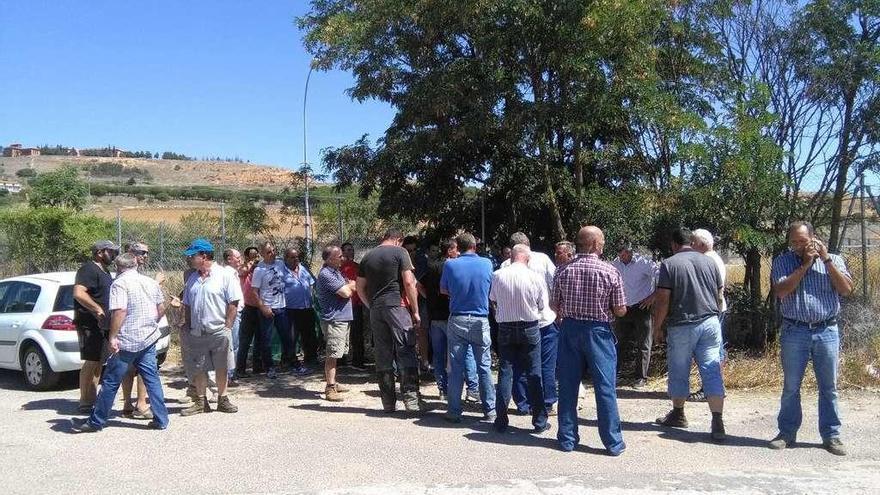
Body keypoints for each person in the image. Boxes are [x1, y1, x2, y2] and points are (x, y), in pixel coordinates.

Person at [768, 221, 853, 456]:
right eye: (793, 242)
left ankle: (831, 435)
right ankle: (786, 432)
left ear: (814, 239)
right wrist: (805, 265)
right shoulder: (783, 261)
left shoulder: (834, 260)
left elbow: (846, 289)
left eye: (802, 241)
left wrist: (825, 260)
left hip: (826, 331)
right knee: (791, 387)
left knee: (829, 387)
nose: (797, 246)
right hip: (795, 331)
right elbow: (782, 291)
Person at [71, 253, 168, 432]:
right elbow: (161, 307)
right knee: (152, 379)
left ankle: (95, 422)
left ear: (118, 267)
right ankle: (161, 419)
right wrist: (151, 323)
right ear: (135, 265)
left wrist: (113, 336)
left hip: (127, 340)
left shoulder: (119, 284)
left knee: (110, 382)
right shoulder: (150, 282)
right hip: (148, 338)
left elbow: (120, 311)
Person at [552, 226, 627, 456]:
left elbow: (554, 305)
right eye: (602, 241)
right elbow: (621, 309)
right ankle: (612, 443)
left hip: (570, 329)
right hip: (598, 332)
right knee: (605, 387)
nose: (603, 245)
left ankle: (567, 439)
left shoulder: (563, 271)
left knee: (567, 385)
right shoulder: (610, 271)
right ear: (594, 244)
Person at [652, 227, 726, 442]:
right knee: (712, 370)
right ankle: (717, 420)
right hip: (711, 322)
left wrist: (657, 327)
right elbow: (719, 295)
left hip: (682, 324)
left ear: (675, 244)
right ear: (692, 243)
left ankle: (678, 413)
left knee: (679, 369)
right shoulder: (710, 262)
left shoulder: (669, 264)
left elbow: (663, 299)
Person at [357, 228, 426, 413]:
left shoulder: (367, 256)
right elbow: (409, 282)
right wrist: (416, 310)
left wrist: (370, 304)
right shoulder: (400, 252)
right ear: (398, 239)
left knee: (383, 354)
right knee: (405, 350)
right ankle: (411, 401)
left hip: (376, 310)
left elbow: (359, 286)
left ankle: (388, 403)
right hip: (397, 306)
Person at [491, 244, 549, 433]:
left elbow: (493, 299)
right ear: (527, 257)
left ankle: (501, 419)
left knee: (505, 372)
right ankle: (539, 420)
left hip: (506, 326)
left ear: (513, 256)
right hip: (529, 326)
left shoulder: (498, 275)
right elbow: (542, 305)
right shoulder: (535, 277)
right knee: (534, 372)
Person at [180, 239, 241, 415]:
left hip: (219, 330)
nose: (190, 259)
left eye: (193, 256)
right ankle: (201, 402)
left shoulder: (224, 275)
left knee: (221, 366)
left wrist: (227, 327)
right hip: (197, 332)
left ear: (204, 256)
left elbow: (233, 302)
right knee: (199, 367)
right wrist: (189, 325)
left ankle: (223, 399)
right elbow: (189, 304)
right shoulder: (193, 278)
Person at [441, 233, 496, 423]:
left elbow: (443, 289)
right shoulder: (487, 264)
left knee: (456, 368)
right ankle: (490, 410)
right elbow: (491, 289)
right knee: (484, 366)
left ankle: (454, 411)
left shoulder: (450, 264)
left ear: (459, 246)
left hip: (458, 317)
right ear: (474, 246)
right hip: (481, 318)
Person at [416, 238, 480, 402]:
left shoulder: (431, 266)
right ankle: (472, 389)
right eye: (456, 249)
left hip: (435, 317)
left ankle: (443, 390)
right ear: (450, 250)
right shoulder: (454, 266)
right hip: (452, 316)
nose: (459, 252)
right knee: (464, 352)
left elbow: (419, 284)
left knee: (438, 355)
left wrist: (430, 299)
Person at [502, 232, 558, 416]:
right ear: (528, 244)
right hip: (543, 320)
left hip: (514, 323)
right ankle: (547, 402)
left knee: (518, 365)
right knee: (545, 364)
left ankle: (523, 403)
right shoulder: (543, 259)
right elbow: (555, 282)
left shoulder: (504, 266)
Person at [72, 240, 117, 413]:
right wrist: (97, 309)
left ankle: (92, 398)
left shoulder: (104, 271)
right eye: (111, 251)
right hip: (90, 325)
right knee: (91, 362)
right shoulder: (88, 269)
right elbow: (78, 292)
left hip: (102, 325)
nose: (114, 255)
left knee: (99, 361)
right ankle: (85, 401)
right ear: (100, 252)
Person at [611, 241, 658, 389]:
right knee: (618, 342)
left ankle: (640, 377)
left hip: (641, 307)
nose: (624, 256)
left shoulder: (643, 263)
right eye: (621, 253)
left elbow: (662, 275)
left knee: (644, 343)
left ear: (631, 251)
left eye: (626, 252)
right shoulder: (615, 264)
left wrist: (654, 296)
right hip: (622, 308)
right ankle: (615, 374)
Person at [120, 242, 157, 418]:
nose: (145, 256)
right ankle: (127, 403)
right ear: (131, 253)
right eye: (142, 252)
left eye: (147, 253)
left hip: (145, 330)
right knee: (126, 369)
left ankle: (141, 403)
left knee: (144, 368)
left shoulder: (144, 276)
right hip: (127, 331)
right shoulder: (122, 276)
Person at [689, 229, 726, 402]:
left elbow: (715, 290)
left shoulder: (708, 260)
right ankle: (715, 388)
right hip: (714, 309)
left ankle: (710, 389)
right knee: (714, 349)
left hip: (711, 311)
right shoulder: (714, 258)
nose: (691, 246)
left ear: (702, 244)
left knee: (711, 351)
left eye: (693, 243)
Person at [316, 245, 356, 401]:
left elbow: (350, 284)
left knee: (337, 353)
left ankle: (332, 381)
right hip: (334, 320)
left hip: (342, 318)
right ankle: (330, 387)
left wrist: (350, 285)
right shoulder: (326, 274)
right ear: (330, 258)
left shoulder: (336, 272)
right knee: (332, 354)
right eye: (339, 256)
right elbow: (346, 291)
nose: (343, 258)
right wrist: (350, 286)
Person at [251, 241, 291, 379]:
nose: (272, 253)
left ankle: (292, 363)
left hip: (281, 306)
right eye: (269, 252)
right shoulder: (259, 270)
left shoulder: (280, 264)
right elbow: (254, 291)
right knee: (266, 340)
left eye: (274, 250)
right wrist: (262, 307)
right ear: (262, 254)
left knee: (286, 336)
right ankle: (269, 367)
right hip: (267, 307)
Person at [282, 247, 314, 374]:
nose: (296, 259)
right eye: (292, 257)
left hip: (307, 307)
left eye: (297, 257)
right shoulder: (281, 272)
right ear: (286, 258)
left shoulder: (303, 268)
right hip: (291, 309)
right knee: (291, 337)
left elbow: (311, 283)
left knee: (309, 335)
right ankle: (289, 361)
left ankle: (310, 359)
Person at [235, 246, 265, 377]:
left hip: (260, 306)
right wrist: (250, 264)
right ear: (246, 256)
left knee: (260, 338)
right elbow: (241, 273)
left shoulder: (260, 268)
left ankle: (257, 366)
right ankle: (240, 368)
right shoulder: (244, 268)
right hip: (248, 307)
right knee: (245, 340)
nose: (255, 257)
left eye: (256, 255)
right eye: (252, 255)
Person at [341, 242, 368, 370]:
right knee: (341, 333)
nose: (350, 252)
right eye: (347, 250)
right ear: (342, 252)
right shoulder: (338, 268)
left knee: (357, 333)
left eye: (352, 250)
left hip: (356, 304)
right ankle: (340, 360)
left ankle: (358, 360)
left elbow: (360, 285)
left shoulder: (358, 267)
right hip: (342, 305)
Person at [222, 248, 244, 386]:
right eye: (237, 257)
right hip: (232, 313)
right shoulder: (227, 274)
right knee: (232, 345)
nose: (240, 259)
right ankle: (228, 376)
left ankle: (230, 375)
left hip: (238, 312)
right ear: (229, 259)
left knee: (235, 344)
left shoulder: (234, 273)